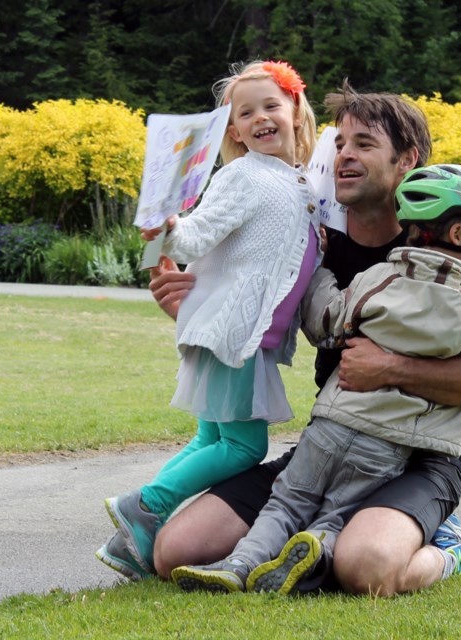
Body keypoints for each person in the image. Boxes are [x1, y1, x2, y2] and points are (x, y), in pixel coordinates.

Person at [146, 83, 461, 597]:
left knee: (364, 570)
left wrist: (391, 368)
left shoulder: (447, 256)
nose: (343, 155)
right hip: (329, 444)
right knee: (176, 552)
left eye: (363, 144)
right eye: (339, 143)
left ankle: (451, 545)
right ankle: (326, 534)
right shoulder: (314, 245)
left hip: (417, 457)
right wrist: (187, 308)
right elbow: (253, 309)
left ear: (406, 160)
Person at [96, 60, 321, 579]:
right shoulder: (245, 176)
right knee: (245, 446)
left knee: (210, 442)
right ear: (235, 132)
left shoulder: (297, 182)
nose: (261, 117)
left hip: (237, 331)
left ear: (295, 110)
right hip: (231, 331)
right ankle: (145, 507)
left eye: (271, 105)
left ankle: (130, 541)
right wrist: (168, 225)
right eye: (246, 113)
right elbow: (194, 237)